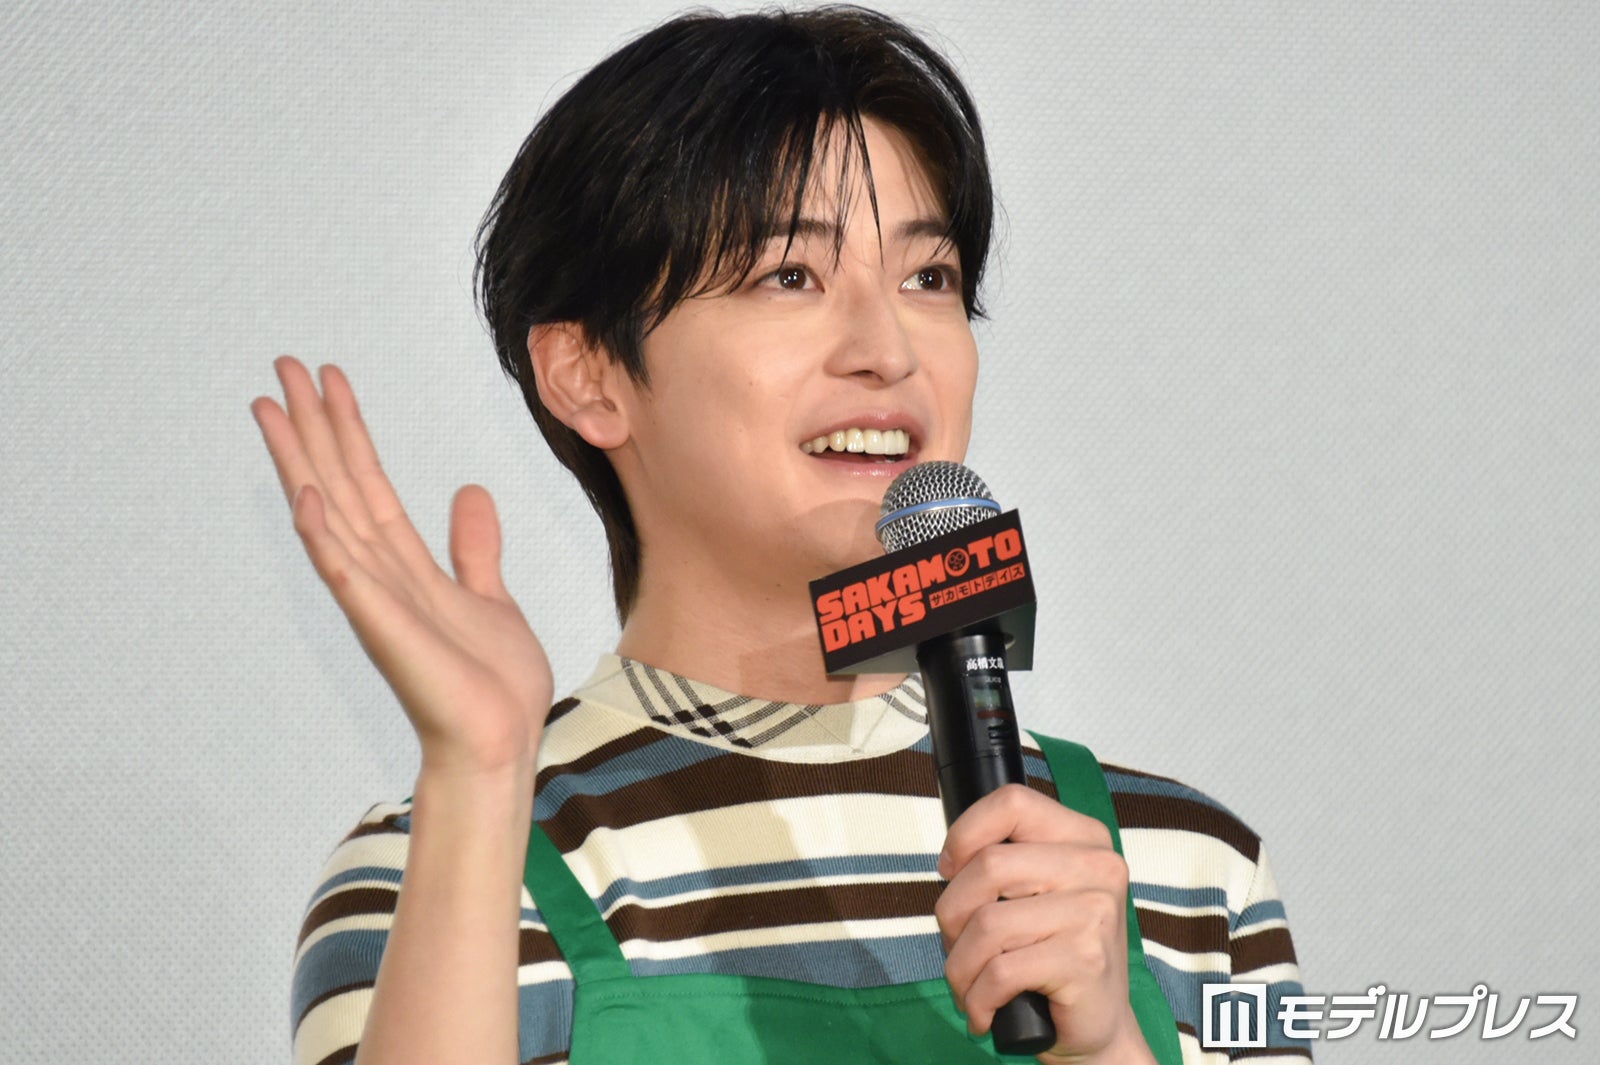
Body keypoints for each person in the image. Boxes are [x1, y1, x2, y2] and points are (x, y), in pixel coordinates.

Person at [256, 8, 1312, 1064]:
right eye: (790, 276)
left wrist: (1108, 1046)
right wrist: (480, 774)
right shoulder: (435, 876)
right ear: (588, 375)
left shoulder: (1195, 871)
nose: (887, 349)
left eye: (928, 278)